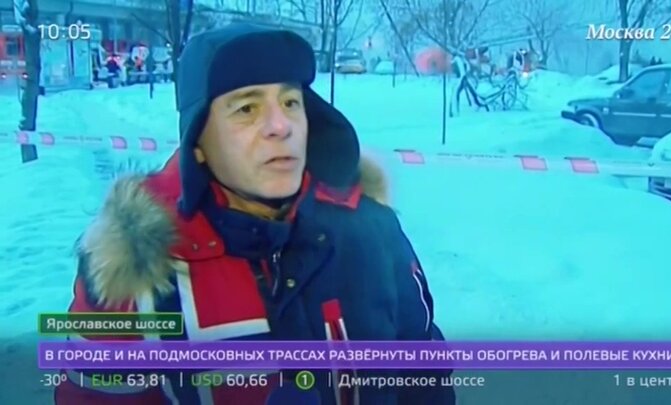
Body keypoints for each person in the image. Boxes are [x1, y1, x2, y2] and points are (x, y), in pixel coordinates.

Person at [54, 23, 455, 405]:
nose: (281, 126)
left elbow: (425, 380)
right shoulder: (130, 270)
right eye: (247, 108)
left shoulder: (372, 232)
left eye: (291, 102)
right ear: (198, 144)